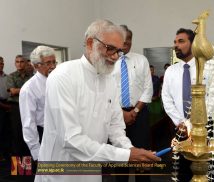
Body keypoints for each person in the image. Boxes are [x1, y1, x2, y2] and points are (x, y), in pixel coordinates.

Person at [35, 20, 159, 182]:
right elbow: (70, 139)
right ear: (90, 43)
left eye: (119, 51)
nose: (115, 57)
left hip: (92, 168)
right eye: (110, 49)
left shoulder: (109, 80)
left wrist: (131, 150)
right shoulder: (63, 76)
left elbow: (115, 128)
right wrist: (126, 155)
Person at [111, 25, 153, 182]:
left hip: (139, 114)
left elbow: (148, 89)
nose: (126, 43)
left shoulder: (141, 60)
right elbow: (105, 92)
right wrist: (121, 113)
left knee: (142, 157)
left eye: (129, 39)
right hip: (115, 115)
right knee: (120, 158)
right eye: (123, 40)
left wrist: (134, 111)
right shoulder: (109, 61)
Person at [161, 28, 195, 181]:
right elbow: (166, 99)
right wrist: (180, 122)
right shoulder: (171, 71)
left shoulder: (206, 68)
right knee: (183, 171)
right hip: (180, 128)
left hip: (201, 130)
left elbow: (211, 98)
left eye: (181, 41)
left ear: (193, 43)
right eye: (175, 42)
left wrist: (194, 124)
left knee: (203, 171)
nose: (176, 45)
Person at [19, 46, 56, 164]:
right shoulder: (29, 88)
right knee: (39, 174)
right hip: (40, 135)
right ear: (35, 66)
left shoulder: (57, 81)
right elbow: (28, 123)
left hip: (56, 134)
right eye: (48, 63)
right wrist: (36, 152)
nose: (53, 66)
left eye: (54, 62)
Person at [6, 55, 32, 157]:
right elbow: (12, 91)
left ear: (25, 63)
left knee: (28, 134)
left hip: (28, 107)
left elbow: (33, 91)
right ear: (15, 63)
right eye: (17, 62)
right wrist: (26, 90)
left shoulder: (31, 76)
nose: (19, 64)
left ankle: (27, 168)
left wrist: (19, 90)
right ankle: (17, 169)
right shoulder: (11, 76)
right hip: (16, 107)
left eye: (22, 61)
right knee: (16, 135)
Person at [0, 57, 10, 161]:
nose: (1, 65)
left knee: (7, 131)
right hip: (1, 106)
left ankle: (7, 153)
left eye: (2, 63)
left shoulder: (8, 77)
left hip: (9, 104)